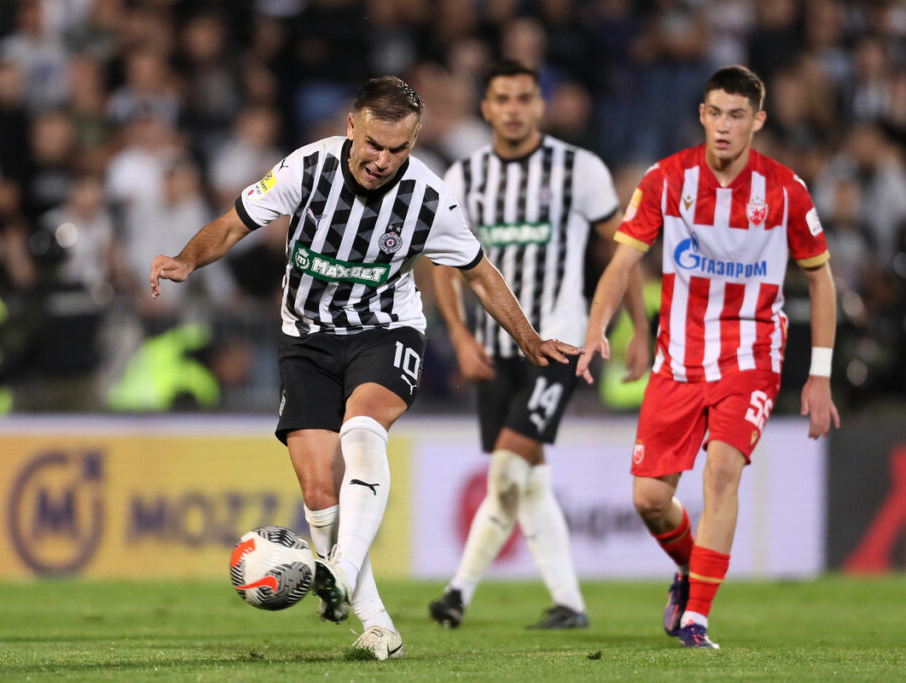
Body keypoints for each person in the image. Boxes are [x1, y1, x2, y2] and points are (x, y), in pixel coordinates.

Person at [149, 76, 581, 660]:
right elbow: (232, 223)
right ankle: (378, 625)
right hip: (305, 337)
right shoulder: (307, 168)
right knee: (319, 490)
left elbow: (479, 271)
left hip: (385, 330)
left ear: (414, 140)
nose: (382, 160)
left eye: (398, 149)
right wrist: (185, 260)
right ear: (351, 126)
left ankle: (343, 572)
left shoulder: (430, 199)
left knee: (361, 430)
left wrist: (526, 338)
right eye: (373, 144)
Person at [576, 65, 840, 649]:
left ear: (758, 121)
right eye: (715, 113)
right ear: (702, 114)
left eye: (737, 115)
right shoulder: (668, 179)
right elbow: (623, 262)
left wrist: (819, 375)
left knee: (722, 471)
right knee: (649, 500)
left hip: (751, 353)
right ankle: (689, 574)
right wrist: (599, 327)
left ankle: (695, 619)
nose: (724, 126)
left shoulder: (785, 191)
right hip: (679, 358)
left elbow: (822, 282)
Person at [427, 59, 650, 630]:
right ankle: (570, 604)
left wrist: (639, 329)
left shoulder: (579, 169)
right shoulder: (464, 176)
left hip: (559, 343)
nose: (514, 108)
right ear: (486, 107)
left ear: (539, 105)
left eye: (524, 97)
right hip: (493, 346)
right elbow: (444, 265)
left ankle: (457, 592)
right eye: (503, 98)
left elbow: (624, 250)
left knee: (506, 469)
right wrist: (458, 335)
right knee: (528, 473)